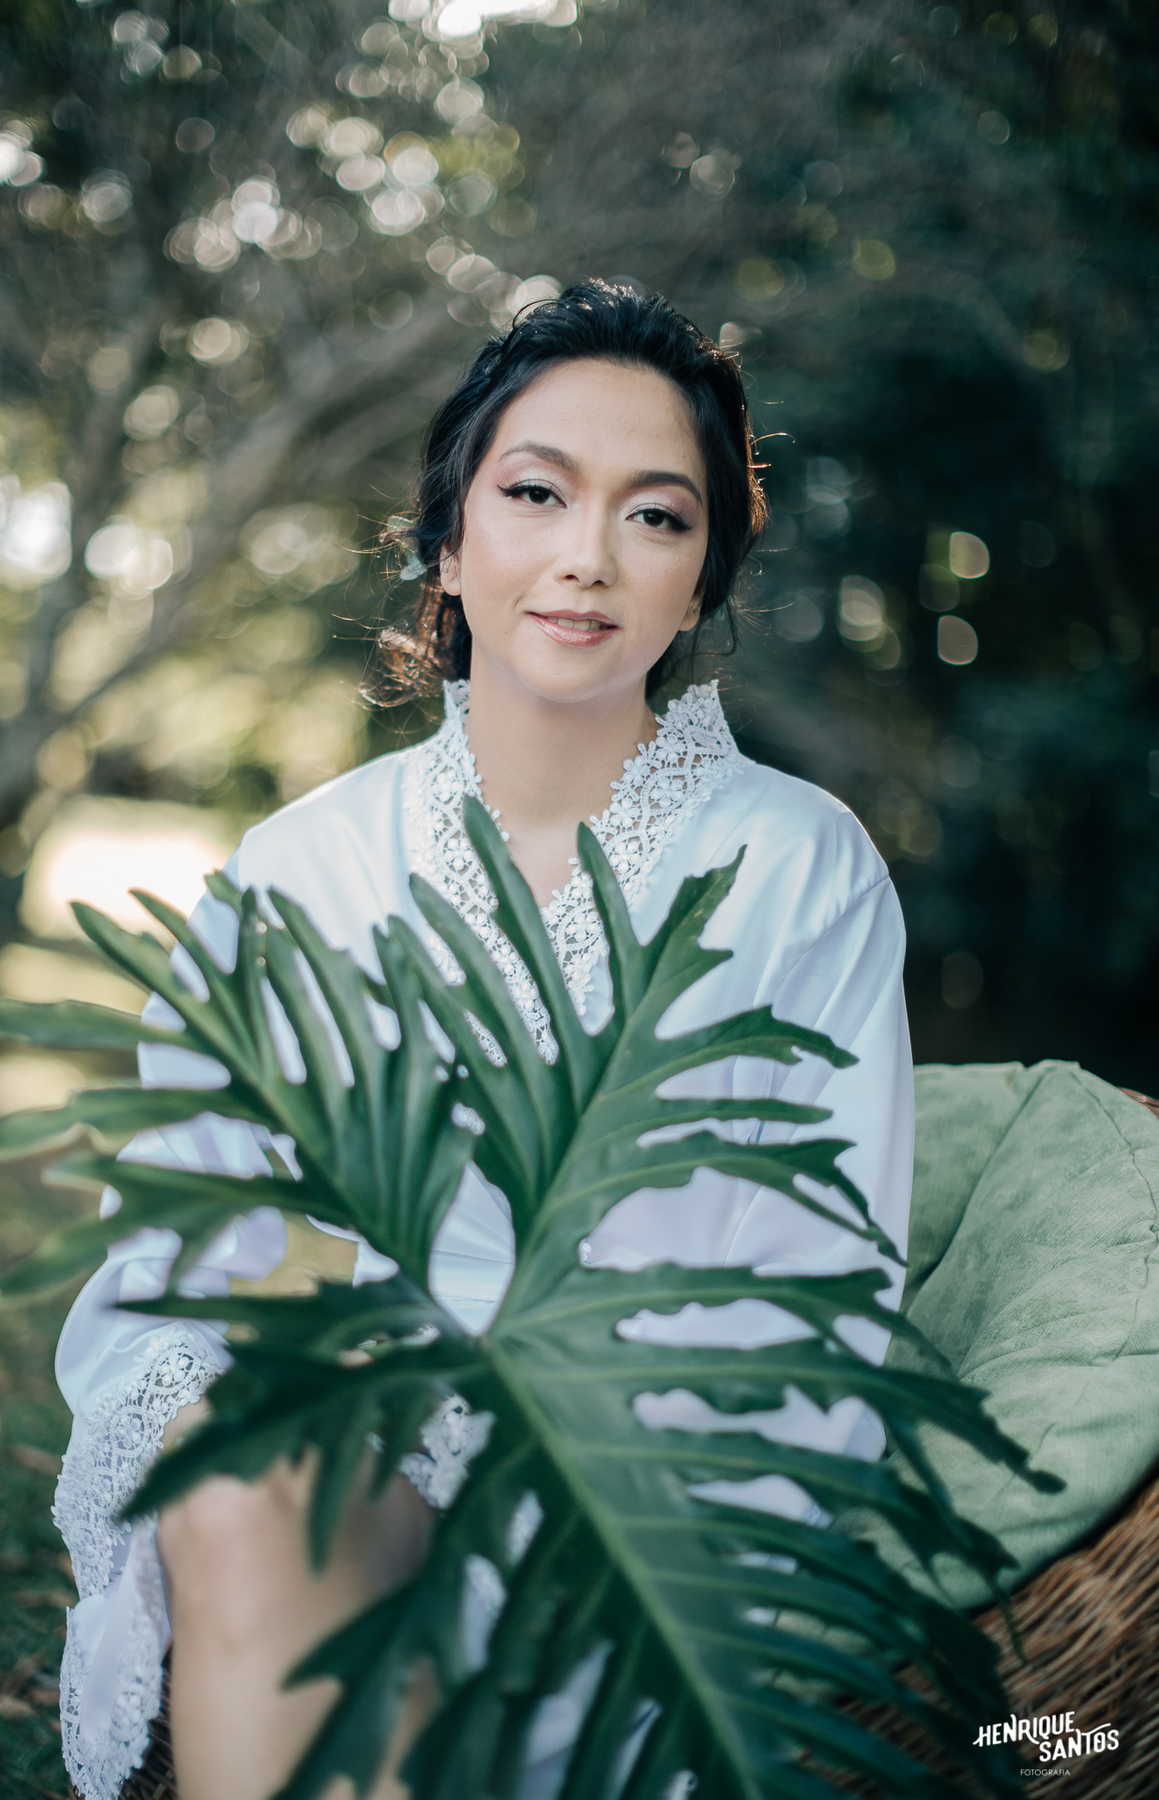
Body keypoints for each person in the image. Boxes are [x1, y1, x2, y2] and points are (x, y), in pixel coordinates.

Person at [52, 281, 914, 1800]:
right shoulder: (298, 869)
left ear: (700, 583)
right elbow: (184, 1245)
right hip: (336, 1448)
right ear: (449, 542)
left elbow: (818, 1295)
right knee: (255, 1479)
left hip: (638, 1481)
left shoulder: (800, 867)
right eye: (535, 494)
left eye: (657, 516)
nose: (589, 556)